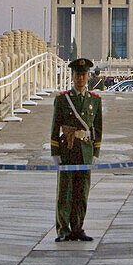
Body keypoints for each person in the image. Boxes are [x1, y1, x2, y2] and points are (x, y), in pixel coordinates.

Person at [50, 57, 103, 241]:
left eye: (84, 75)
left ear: (88, 76)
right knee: (65, 192)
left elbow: (97, 128)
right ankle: (63, 229)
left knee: (82, 192)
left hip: (85, 151)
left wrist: (95, 152)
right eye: (77, 75)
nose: (80, 78)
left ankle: (78, 228)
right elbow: (55, 127)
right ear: (73, 76)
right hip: (68, 150)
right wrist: (55, 153)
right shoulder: (63, 100)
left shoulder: (94, 101)